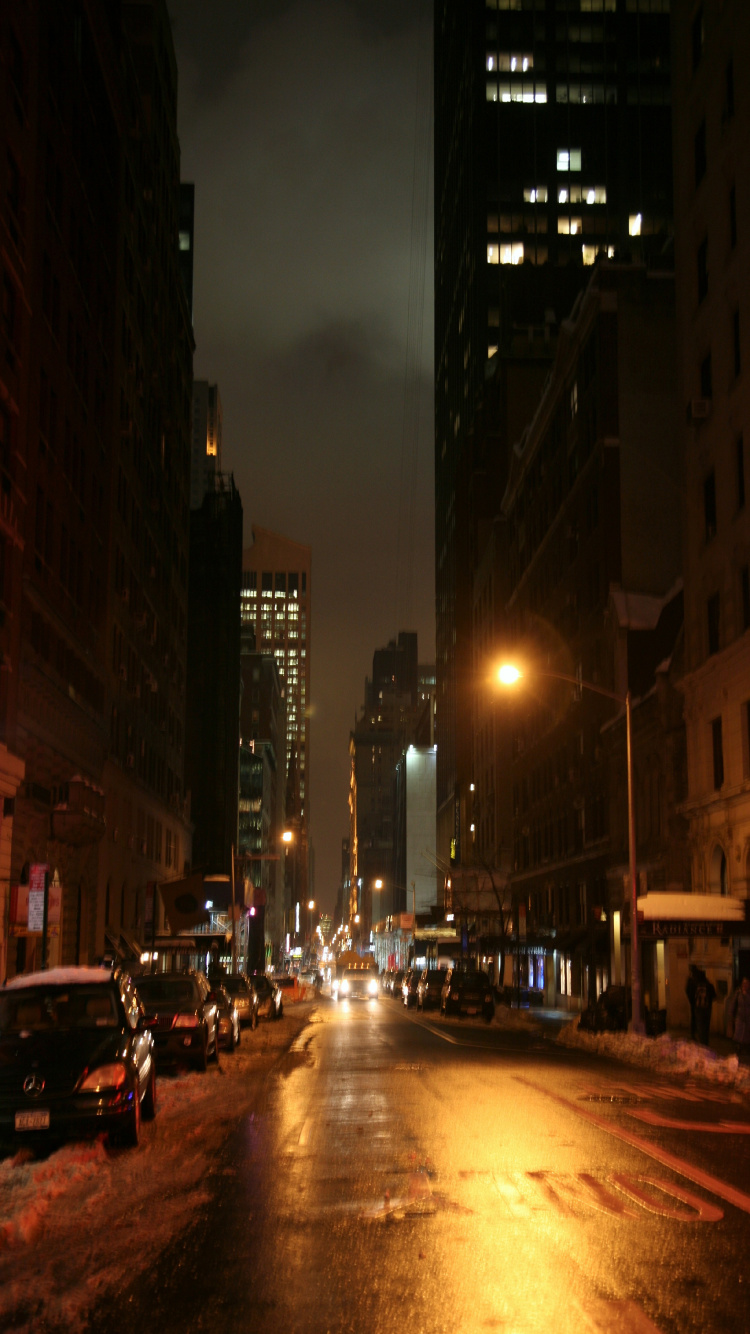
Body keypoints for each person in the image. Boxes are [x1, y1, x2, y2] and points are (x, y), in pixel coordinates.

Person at [693, 967, 717, 1045]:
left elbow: (691, 995)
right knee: (706, 1026)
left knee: (700, 1026)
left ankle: (702, 1042)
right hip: (707, 1008)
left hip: (698, 1009)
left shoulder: (696, 985)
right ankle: (705, 1042)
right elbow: (714, 996)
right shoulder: (709, 985)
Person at [728, 975, 750, 1061]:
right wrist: (731, 1015)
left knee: (747, 1034)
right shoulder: (738, 992)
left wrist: (746, 995)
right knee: (739, 1034)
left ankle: (746, 1049)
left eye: (747, 983)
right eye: (744, 983)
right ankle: (738, 1048)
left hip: (748, 1018)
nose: (745, 985)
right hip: (740, 1018)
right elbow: (733, 1004)